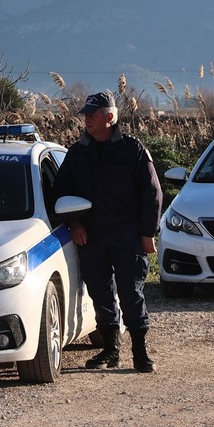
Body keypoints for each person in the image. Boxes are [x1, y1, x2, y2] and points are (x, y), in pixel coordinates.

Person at [53, 90, 163, 373]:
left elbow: (152, 193)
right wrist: (74, 224)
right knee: (100, 294)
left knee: (131, 292)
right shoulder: (77, 153)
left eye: (93, 114)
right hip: (91, 235)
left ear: (110, 117)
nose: (87, 119)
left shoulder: (133, 150)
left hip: (127, 233)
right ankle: (111, 350)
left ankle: (140, 351)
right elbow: (60, 193)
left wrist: (147, 232)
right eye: (86, 115)